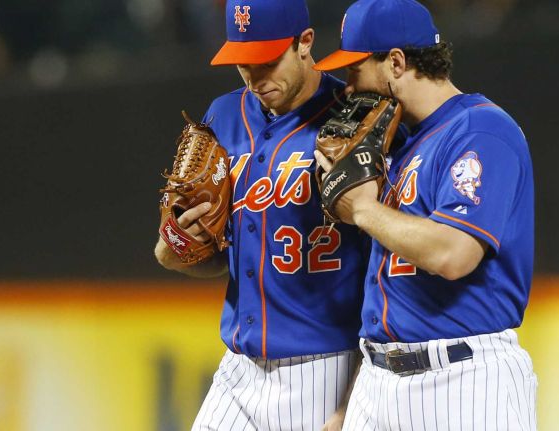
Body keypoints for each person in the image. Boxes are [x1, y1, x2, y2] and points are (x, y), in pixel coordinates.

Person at [312, 0, 538, 429]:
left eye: (354, 70)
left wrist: (363, 209)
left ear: (395, 62)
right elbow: (386, 299)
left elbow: (453, 254)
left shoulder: (480, 130)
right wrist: (349, 405)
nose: (345, 86)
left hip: (462, 382)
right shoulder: (398, 147)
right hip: (379, 380)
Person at [154, 1, 367, 429]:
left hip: (323, 367)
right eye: (243, 63)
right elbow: (204, 259)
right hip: (239, 364)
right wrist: (177, 245)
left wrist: (355, 395)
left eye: (267, 60)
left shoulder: (354, 117)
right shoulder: (225, 115)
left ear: (305, 43)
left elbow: (381, 267)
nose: (255, 77)